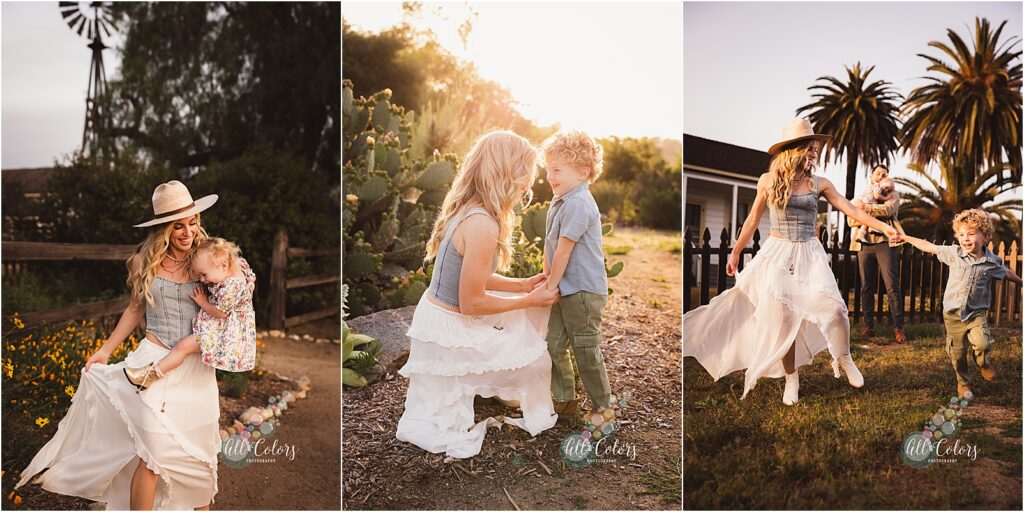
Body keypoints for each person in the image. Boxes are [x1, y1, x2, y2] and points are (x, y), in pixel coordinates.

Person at [16, 180, 221, 509]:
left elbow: (233, 307)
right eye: (177, 225)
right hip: (152, 362)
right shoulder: (145, 261)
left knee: (196, 456)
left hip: (196, 368)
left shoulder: (209, 258)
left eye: (193, 222)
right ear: (163, 228)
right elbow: (135, 308)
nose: (187, 232)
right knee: (152, 453)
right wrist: (106, 349)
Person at [683, 119, 899, 405]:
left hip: (809, 252)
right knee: (783, 320)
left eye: (815, 149)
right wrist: (736, 251)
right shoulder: (768, 181)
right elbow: (753, 219)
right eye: (810, 148)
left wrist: (885, 227)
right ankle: (791, 379)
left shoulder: (820, 183)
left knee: (835, 310)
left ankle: (845, 357)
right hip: (778, 252)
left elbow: (850, 209)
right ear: (794, 150)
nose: (814, 154)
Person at [395, 131, 560, 458]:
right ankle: (495, 383)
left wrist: (523, 285)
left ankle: (490, 382)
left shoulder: (470, 209)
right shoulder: (483, 224)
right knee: (538, 359)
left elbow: (475, 279)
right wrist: (530, 300)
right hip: (448, 331)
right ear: (507, 172)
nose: (531, 181)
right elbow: (472, 303)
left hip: (437, 317)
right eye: (527, 170)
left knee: (522, 320)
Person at [896, 209, 1022, 398]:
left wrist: (1021, 282)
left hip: (976, 313)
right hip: (953, 314)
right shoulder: (954, 253)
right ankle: (963, 383)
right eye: (962, 234)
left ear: (985, 236)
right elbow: (929, 246)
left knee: (982, 343)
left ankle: (983, 362)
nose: (965, 238)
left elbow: (1006, 273)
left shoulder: (992, 262)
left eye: (971, 234)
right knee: (957, 352)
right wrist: (905, 237)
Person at [539, 130, 613, 420]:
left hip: (582, 292)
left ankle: (604, 408)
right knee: (553, 343)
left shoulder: (579, 203)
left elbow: (564, 251)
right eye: (548, 170)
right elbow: (551, 246)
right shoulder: (561, 201)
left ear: (583, 172)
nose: (549, 176)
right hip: (563, 288)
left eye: (557, 170)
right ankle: (564, 400)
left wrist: (549, 286)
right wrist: (548, 281)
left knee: (585, 350)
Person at [124, 237, 257, 390]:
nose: (201, 280)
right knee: (183, 347)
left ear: (224, 264)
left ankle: (150, 376)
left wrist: (202, 301)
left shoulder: (231, 286)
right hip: (223, 328)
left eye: (204, 275)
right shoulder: (233, 269)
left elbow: (221, 313)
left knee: (182, 347)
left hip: (223, 333)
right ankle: (150, 374)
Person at [848, 165, 907, 343]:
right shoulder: (862, 193)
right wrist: (863, 208)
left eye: (885, 174)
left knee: (892, 287)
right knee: (866, 287)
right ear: (871, 176)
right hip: (864, 245)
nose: (881, 176)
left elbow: (888, 210)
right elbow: (851, 219)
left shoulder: (892, 193)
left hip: (885, 243)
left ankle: (898, 328)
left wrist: (863, 208)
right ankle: (868, 326)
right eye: (878, 173)